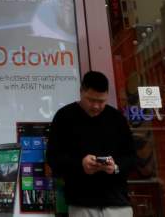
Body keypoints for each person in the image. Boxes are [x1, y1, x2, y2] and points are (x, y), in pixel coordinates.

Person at [46, 71, 137, 217]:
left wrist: (115, 166)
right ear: (81, 92)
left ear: (107, 95)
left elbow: (132, 157)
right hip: (81, 204)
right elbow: (53, 158)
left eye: (101, 101)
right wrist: (80, 165)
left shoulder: (116, 118)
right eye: (91, 100)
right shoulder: (64, 116)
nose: (96, 106)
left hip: (117, 203)